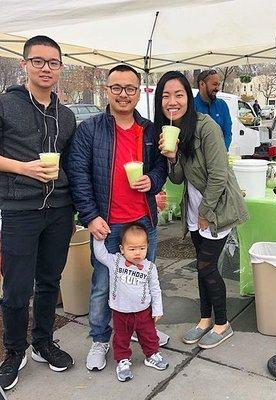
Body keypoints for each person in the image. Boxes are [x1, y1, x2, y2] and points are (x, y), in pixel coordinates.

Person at [67, 65, 167, 371]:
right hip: (107, 224)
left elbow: (161, 168)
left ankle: (143, 331)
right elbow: (78, 174)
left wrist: (153, 179)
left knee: (142, 280)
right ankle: (100, 339)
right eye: (117, 88)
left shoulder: (150, 130)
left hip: (142, 223)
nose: (124, 94)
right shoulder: (90, 129)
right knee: (102, 283)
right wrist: (90, 216)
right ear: (106, 89)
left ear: (139, 92)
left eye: (130, 88)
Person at [0, 35, 76, 390]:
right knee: (16, 288)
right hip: (20, 209)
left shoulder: (67, 114)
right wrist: (22, 167)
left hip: (59, 209)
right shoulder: (5, 105)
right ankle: (15, 351)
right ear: (25, 64)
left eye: (53, 63)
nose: (46, 68)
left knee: (49, 281)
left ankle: (44, 341)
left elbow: (73, 163)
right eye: (39, 61)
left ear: (60, 68)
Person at [156, 71, 249, 349]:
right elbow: (177, 179)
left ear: (189, 96)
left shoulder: (207, 127)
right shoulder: (175, 129)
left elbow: (219, 175)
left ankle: (223, 324)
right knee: (202, 268)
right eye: (166, 96)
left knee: (207, 267)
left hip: (216, 208)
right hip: (196, 210)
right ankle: (205, 320)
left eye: (178, 94)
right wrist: (172, 158)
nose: (172, 101)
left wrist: (206, 212)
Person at [93, 223, 169, 382]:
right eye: (132, 249)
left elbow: (155, 289)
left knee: (149, 336)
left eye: (142, 248)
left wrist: (157, 309)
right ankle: (122, 360)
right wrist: (98, 238)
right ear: (122, 248)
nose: (137, 253)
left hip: (143, 311)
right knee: (121, 338)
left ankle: (151, 355)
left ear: (148, 247)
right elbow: (100, 254)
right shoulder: (115, 261)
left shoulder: (149, 267)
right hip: (121, 311)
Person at [194, 70, 232, 150]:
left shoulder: (222, 105)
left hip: (219, 156)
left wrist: (222, 152)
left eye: (218, 85)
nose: (217, 88)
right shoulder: (190, 105)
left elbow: (227, 133)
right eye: (214, 84)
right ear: (202, 84)